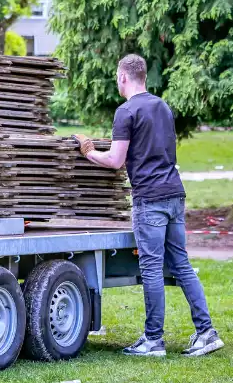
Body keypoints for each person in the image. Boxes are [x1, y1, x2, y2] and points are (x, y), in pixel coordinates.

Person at [73, 54, 223, 358]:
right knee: (181, 265)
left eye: (117, 76)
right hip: (174, 194)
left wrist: (89, 151)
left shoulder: (126, 111)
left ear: (124, 77)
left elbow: (115, 161)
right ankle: (206, 333)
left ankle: (153, 340)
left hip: (150, 200)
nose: (117, 81)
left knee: (152, 268)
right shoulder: (162, 107)